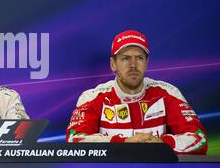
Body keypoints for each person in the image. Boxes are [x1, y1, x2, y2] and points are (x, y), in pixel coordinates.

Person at [66, 30, 207, 154]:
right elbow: (75, 140)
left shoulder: (168, 93)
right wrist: (125, 143)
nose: (133, 65)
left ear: (146, 63)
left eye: (139, 58)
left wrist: (163, 144)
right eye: (125, 58)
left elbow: (199, 139)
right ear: (113, 64)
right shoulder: (92, 97)